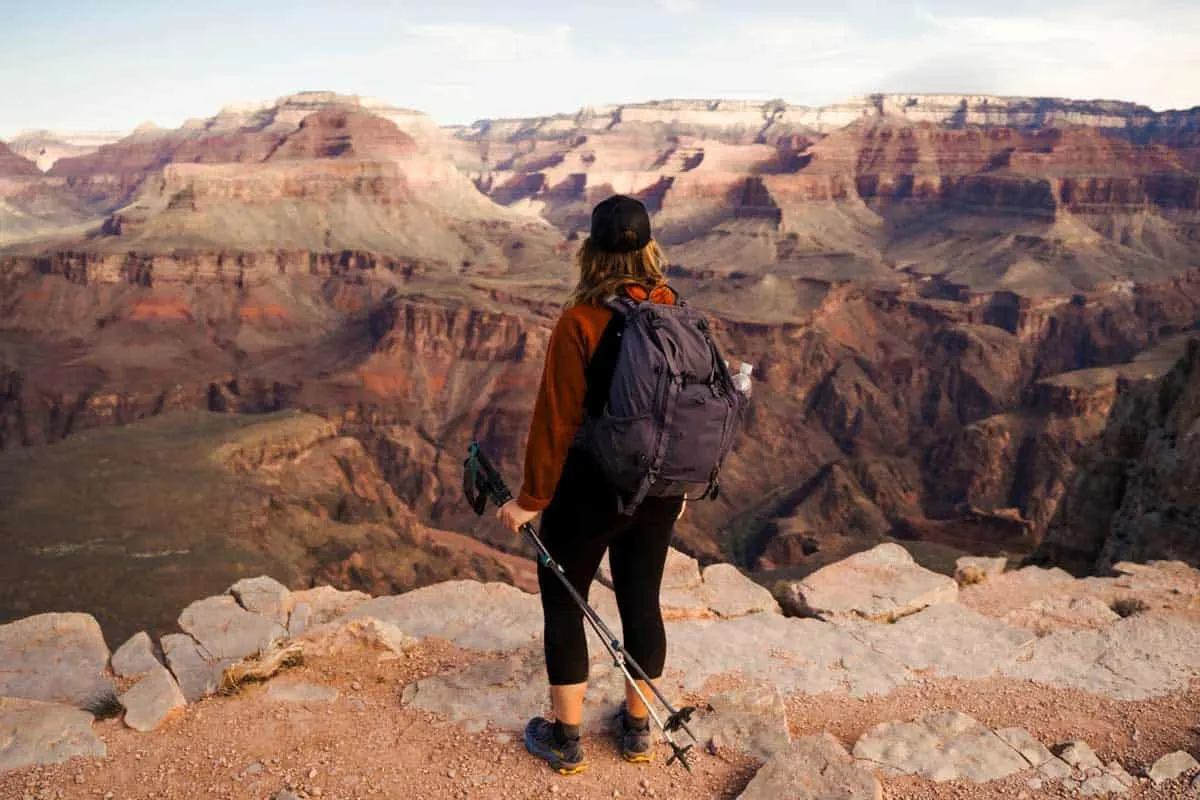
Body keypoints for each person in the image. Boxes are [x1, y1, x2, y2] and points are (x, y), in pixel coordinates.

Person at [496, 194, 686, 775]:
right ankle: (636, 731)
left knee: (563, 602)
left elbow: (553, 421)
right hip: (657, 488)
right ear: (651, 249)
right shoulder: (676, 312)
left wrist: (531, 500)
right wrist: (677, 491)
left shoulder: (580, 321)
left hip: (590, 493)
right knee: (641, 601)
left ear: (591, 255)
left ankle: (566, 739)